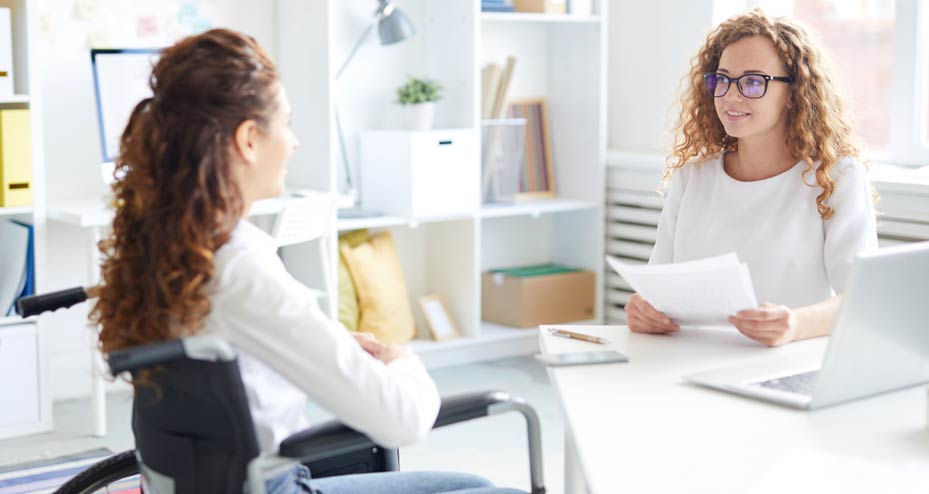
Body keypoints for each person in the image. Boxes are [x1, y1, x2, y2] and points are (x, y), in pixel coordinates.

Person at [91, 29, 523, 494]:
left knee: (469, 484)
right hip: (271, 485)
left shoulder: (168, 240)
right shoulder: (239, 264)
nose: (294, 142)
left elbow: (237, 351)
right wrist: (402, 360)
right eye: (287, 124)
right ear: (250, 139)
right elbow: (403, 419)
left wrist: (325, 341)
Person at [624, 9, 877, 347]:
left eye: (754, 81)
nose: (730, 95)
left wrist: (795, 325)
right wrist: (643, 310)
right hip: (686, 361)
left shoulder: (836, 179)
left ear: (794, 94)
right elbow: (656, 288)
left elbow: (861, 297)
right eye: (723, 79)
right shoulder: (692, 177)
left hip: (784, 364)